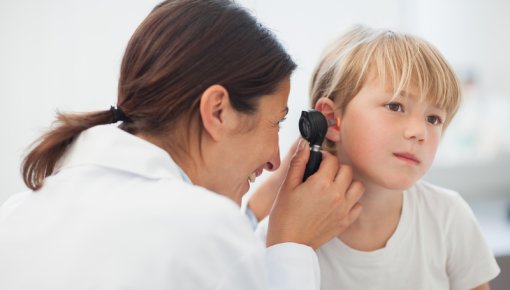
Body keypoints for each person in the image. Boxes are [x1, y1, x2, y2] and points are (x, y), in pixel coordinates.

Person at [0, 1, 365, 289]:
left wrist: (250, 217)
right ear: (218, 110)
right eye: (276, 122)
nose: (274, 160)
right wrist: (291, 247)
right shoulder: (204, 231)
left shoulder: (15, 214)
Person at [251, 25, 500, 290]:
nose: (419, 132)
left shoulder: (448, 216)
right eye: (395, 106)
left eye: (433, 118)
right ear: (332, 120)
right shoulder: (283, 241)